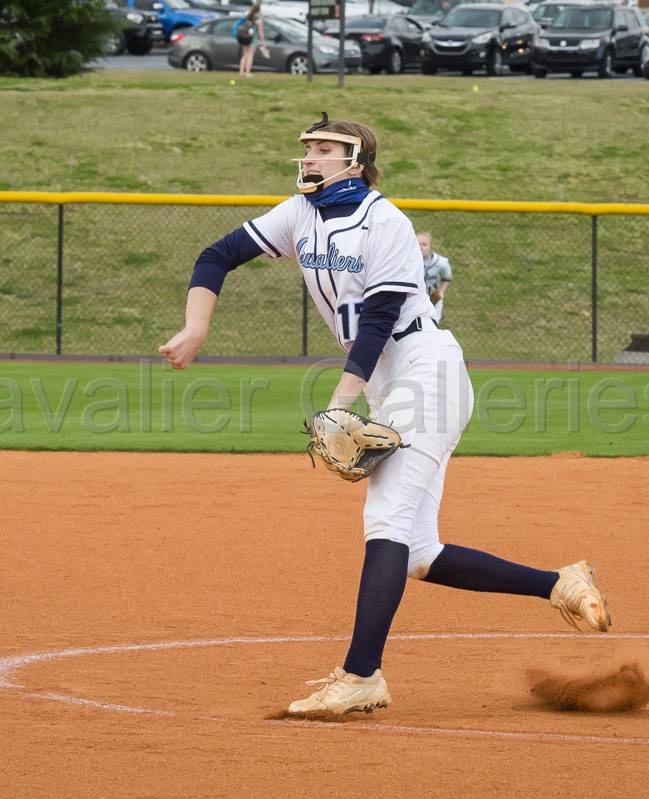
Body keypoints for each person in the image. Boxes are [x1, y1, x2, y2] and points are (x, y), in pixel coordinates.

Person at [159, 113, 612, 716]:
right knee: (419, 551)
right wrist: (196, 326)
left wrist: (339, 404)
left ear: (356, 161)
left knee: (385, 521)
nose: (310, 158)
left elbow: (376, 323)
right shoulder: (298, 215)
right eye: (307, 149)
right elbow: (217, 255)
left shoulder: (385, 221)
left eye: (325, 149)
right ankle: (560, 583)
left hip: (426, 373)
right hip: (390, 385)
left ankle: (361, 674)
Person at [417, 232, 453, 324]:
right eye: (418, 243)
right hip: (414, 298)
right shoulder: (407, 261)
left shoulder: (441, 262)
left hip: (432, 299)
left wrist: (440, 293)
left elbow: (446, 278)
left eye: (424, 244)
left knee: (433, 324)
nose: (420, 247)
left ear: (431, 247)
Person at [233, 2, 266, 79]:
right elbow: (261, 32)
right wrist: (263, 43)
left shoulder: (248, 17)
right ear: (259, 10)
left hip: (244, 38)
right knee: (250, 55)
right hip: (252, 39)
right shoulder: (258, 19)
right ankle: (247, 72)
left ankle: (241, 72)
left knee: (244, 55)